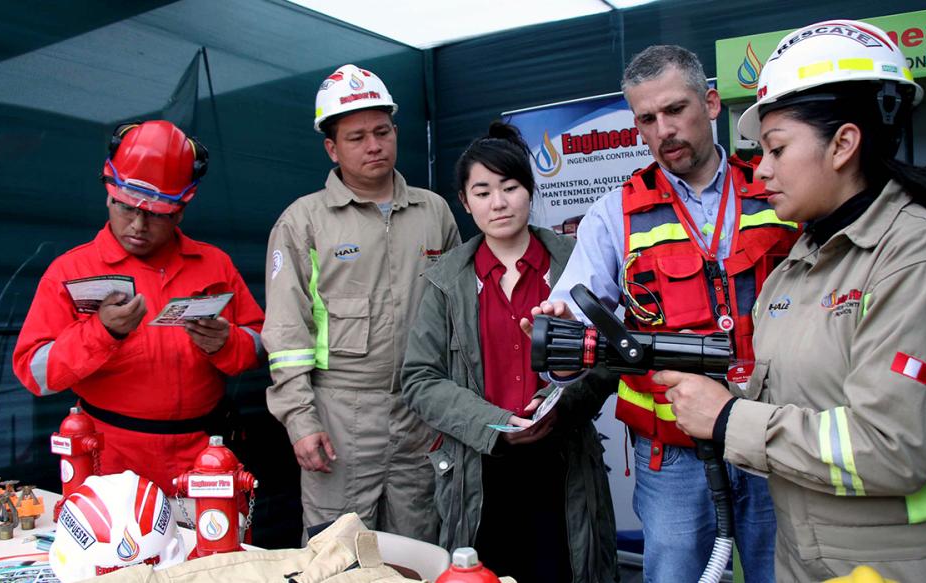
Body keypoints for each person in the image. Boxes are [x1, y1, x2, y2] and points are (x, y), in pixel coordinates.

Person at [660, 20, 926, 581]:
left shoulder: (924, 261)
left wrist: (727, 419)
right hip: (807, 559)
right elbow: (799, 394)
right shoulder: (799, 264)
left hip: (912, 564)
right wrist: (721, 388)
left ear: (843, 144)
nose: (760, 170)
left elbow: (893, 446)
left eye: (776, 149)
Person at [522, 45, 801, 582]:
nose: (663, 129)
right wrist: (556, 345)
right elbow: (573, 334)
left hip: (776, 433)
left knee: (783, 573)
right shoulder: (613, 213)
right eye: (647, 119)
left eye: (676, 110)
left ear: (712, 102)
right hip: (673, 455)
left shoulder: (778, 188)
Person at [402, 122, 619, 582]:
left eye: (510, 187)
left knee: (564, 569)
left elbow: (607, 358)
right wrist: (491, 424)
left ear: (530, 190)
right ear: (464, 202)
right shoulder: (445, 280)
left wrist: (561, 402)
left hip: (563, 466)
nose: (498, 203)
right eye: (482, 192)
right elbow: (419, 378)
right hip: (479, 471)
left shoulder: (574, 261)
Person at [262, 64, 460, 542]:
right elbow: (288, 333)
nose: (373, 145)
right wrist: (300, 421)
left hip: (420, 411)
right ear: (332, 148)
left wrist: (452, 408)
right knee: (339, 553)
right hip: (339, 417)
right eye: (356, 137)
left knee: (418, 546)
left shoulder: (433, 212)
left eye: (381, 131)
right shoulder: (304, 222)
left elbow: (459, 317)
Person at [13, 120, 265, 494]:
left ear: (180, 211)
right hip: (109, 458)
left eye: (156, 213)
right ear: (108, 196)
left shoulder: (215, 265)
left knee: (213, 552)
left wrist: (226, 343)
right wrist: (101, 333)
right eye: (126, 207)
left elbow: (262, 345)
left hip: (204, 456)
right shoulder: (71, 271)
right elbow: (34, 373)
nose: (137, 224)